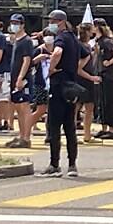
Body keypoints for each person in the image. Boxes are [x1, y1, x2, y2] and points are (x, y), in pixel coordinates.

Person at [39, 10, 81, 177]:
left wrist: (51, 68)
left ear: (60, 22)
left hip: (58, 86)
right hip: (71, 87)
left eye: (52, 21)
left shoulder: (61, 37)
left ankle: (54, 164)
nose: (50, 24)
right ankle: (72, 165)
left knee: (54, 126)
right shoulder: (73, 38)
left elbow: (57, 53)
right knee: (70, 127)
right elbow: (85, 56)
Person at [5, 14, 34, 148]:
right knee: (18, 108)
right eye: (12, 23)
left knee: (24, 108)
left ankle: (26, 137)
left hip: (22, 79)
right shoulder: (16, 40)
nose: (14, 25)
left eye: (17, 23)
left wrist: (21, 78)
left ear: (22, 25)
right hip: (14, 78)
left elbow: (26, 60)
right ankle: (21, 136)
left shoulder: (26, 41)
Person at [93, 20, 113, 139]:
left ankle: (111, 128)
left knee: (109, 102)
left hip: (108, 75)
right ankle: (103, 127)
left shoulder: (107, 41)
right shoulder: (98, 41)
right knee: (101, 102)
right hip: (101, 73)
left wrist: (110, 62)